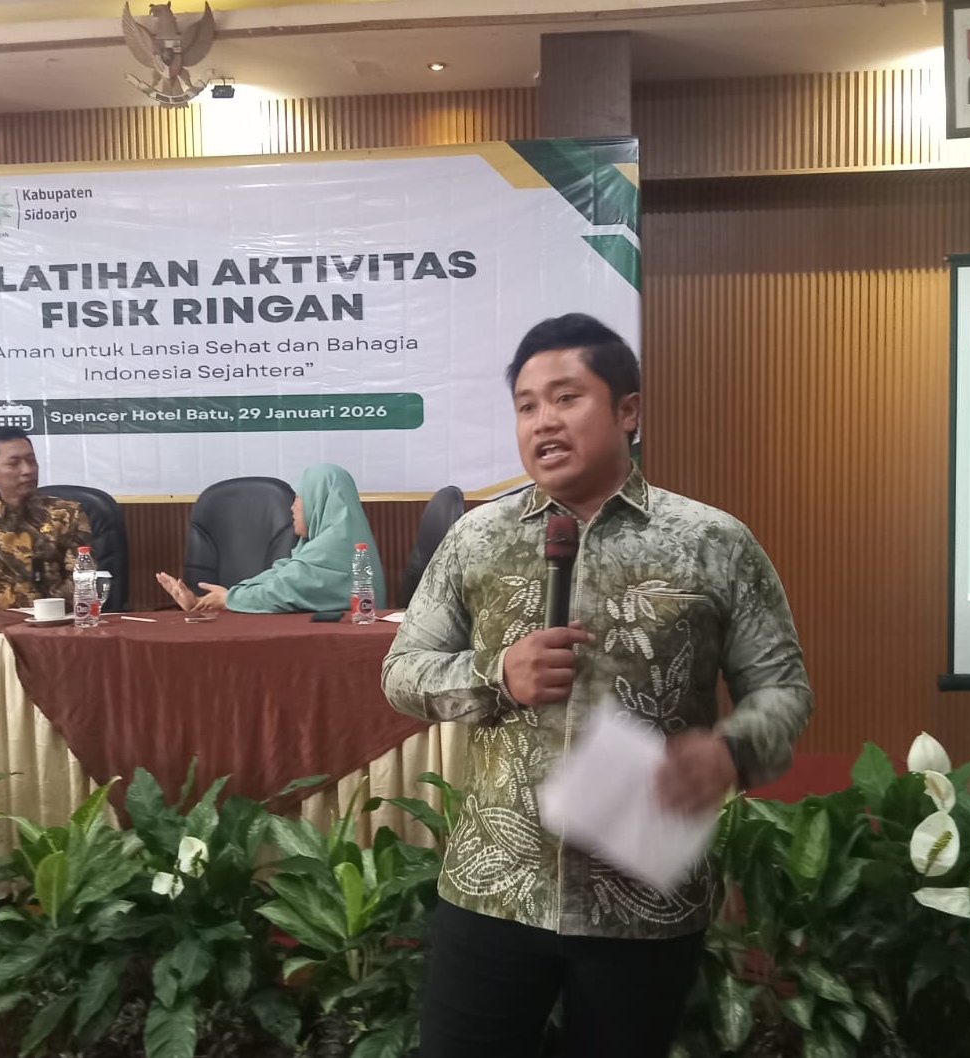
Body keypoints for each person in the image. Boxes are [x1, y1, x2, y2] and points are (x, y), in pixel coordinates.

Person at [381, 313, 812, 1058]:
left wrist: (731, 751)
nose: (543, 421)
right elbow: (402, 671)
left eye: (566, 397)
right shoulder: (476, 538)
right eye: (526, 405)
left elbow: (783, 688)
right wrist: (496, 674)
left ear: (628, 411)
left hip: (642, 897)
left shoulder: (712, 542)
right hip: (495, 888)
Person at [156, 462, 385, 613]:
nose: (292, 507)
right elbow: (278, 576)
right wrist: (207, 602)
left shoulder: (337, 548)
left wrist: (228, 599)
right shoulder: (315, 547)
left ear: (319, 502)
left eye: (298, 499)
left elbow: (282, 589)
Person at [0, 426, 93, 608]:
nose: (27, 470)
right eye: (14, 463)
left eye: (31, 461)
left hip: (58, 619)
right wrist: (6, 612)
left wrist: (44, 610)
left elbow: (83, 580)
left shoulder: (68, 514)